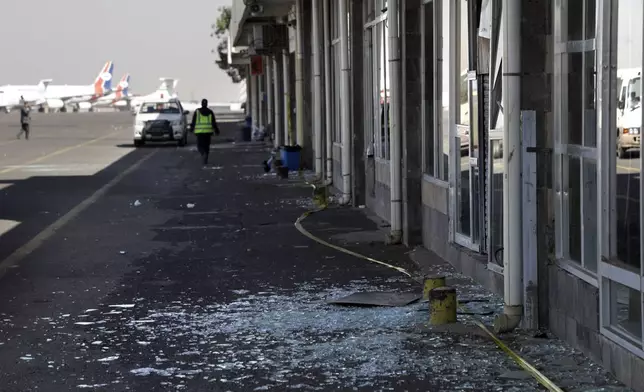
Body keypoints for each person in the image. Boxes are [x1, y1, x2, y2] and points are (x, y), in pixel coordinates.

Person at [190, 99, 220, 165]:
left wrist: (191, 129)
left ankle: (202, 153)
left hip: (199, 132)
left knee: (199, 145)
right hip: (208, 132)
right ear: (207, 104)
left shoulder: (197, 111)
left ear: (201, 104)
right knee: (207, 145)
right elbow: (213, 122)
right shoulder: (210, 112)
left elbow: (193, 121)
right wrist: (217, 131)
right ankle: (206, 155)